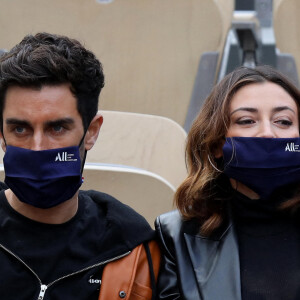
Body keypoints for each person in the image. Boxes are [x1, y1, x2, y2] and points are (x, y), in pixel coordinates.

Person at [0, 32, 160, 300]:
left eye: (58, 127)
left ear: (91, 132)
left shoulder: (131, 247)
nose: (38, 147)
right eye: (20, 128)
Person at [155, 65, 300, 300]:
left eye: (283, 121)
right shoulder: (175, 235)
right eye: (246, 121)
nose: (267, 133)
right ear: (216, 144)